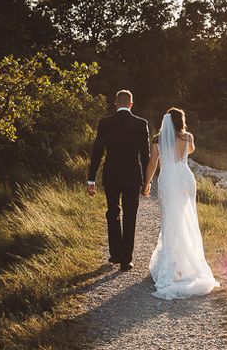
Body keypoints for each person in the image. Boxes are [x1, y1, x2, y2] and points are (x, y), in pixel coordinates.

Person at [143, 108, 219, 300]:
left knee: (171, 218)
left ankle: (173, 263)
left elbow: (153, 163)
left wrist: (146, 183)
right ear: (181, 120)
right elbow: (191, 151)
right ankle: (185, 261)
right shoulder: (188, 138)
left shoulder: (158, 140)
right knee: (186, 217)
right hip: (185, 178)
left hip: (168, 178)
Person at [87, 89, 150, 271]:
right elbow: (144, 156)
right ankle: (126, 260)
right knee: (130, 216)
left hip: (111, 175)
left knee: (112, 213)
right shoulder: (141, 124)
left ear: (115, 103)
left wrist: (91, 179)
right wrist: (147, 181)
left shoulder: (105, 123)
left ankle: (115, 254)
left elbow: (97, 152)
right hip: (132, 177)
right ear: (131, 104)